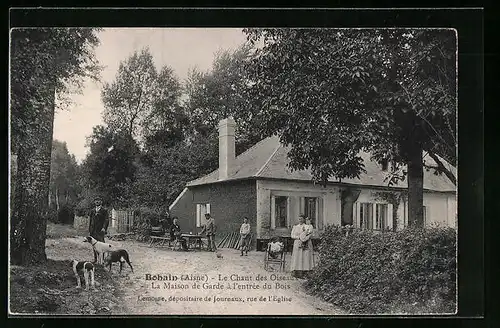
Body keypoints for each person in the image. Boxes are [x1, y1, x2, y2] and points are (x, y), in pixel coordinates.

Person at [290, 214, 314, 279]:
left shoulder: (307, 226)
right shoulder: (295, 227)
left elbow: (310, 233)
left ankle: (305, 272)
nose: (300, 220)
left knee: (305, 257)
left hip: (305, 243)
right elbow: (292, 235)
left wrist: (305, 238)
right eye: (299, 219)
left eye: (301, 219)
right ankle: (296, 271)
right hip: (297, 242)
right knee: (297, 257)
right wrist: (299, 237)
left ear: (304, 219)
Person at [88, 197, 109, 263]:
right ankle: (95, 259)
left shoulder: (104, 210)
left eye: (98, 200)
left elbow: (106, 220)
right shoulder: (92, 210)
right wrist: (90, 229)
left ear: (101, 202)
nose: (97, 202)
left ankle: (102, 260)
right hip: (93, 231)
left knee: (101, 245)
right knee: (94, 245)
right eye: (96, 200)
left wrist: (104, 228)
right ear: (94, 202)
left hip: (100, 231)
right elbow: (90, 220)